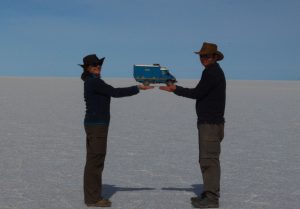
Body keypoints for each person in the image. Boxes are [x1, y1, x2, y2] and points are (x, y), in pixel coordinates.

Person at [79, 54, 153, 207]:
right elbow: (115, 92)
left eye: (99, 65)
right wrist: (138, 88)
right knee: (95, 161)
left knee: (95, 160)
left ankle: (93, 196)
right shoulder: (93, 82)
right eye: (94, 65)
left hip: (96, 124)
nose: (98, 67)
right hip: (97, 125)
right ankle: (93, 199)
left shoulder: (94, 81)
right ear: (87, 68)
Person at [159, 42, 226, 208]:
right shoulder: (212, 71)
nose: (203, 59)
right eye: (202, 56)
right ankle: (210, 192)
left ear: (215, 57)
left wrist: (175, 89)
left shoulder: (211, 73)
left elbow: (197, 93)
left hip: (210, 124)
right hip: (212, 123)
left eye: (207, 56)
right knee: (210, 159)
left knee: (208, 160)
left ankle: (211, 198)